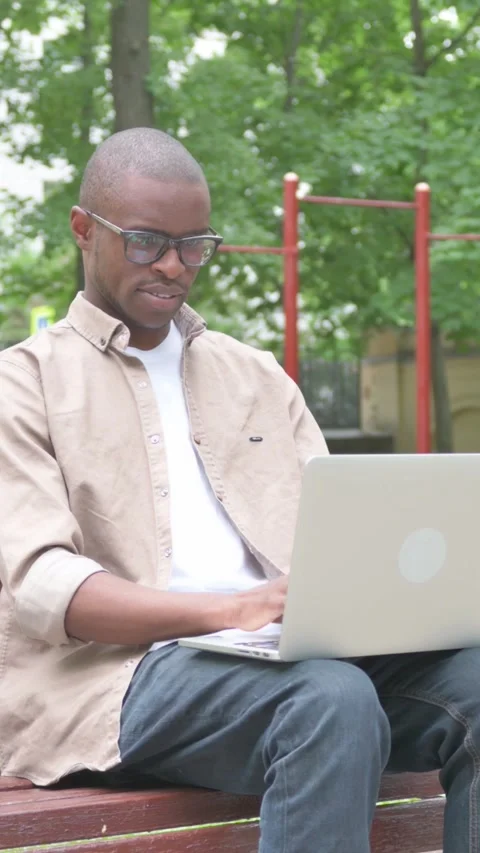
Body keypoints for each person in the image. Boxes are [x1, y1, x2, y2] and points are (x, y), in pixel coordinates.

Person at [0, 127, 479, 853]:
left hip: (289, 659)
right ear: (82, 230)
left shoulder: (252, 375)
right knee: (327, 702)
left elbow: (341, 536)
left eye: (195, 246)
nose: (173, 266)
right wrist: (234, 608)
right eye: (145, 242)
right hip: (122, 680)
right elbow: (46, 590)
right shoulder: (24, 384)